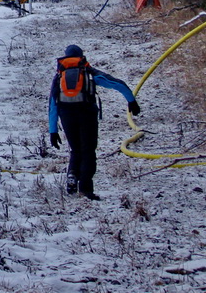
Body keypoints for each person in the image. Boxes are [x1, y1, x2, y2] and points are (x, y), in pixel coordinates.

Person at [48, 44, 141, 200]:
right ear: (81, 56)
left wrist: (53, 131)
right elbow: (116, 83)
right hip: (87, 115)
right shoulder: (88, 72)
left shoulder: (59, 77)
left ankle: (72, 176)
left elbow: (52, 104)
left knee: (76, 150)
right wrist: (131, 101)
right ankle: (86, 188)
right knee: (88, 151)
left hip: (66, 116)